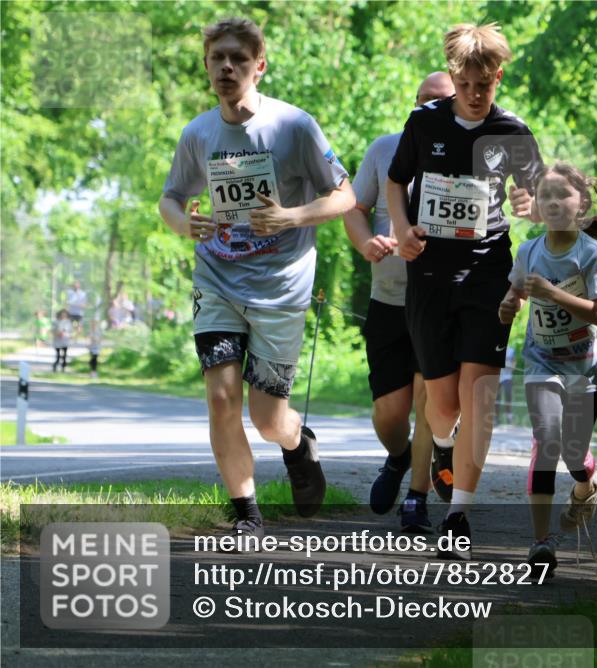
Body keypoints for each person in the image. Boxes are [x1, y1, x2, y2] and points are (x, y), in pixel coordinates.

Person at [158, 17, 356, 541]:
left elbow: (346, 194)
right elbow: (170, 198)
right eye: (217, 58)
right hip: (218, 280)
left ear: (259, 66)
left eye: (238, 59)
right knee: (222, 397)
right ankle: (245, 513)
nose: (226, 67)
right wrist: (186, 225)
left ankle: (297, 444)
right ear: (206, 67)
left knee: (269, 418)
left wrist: (292, 216)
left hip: (280, 288)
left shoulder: (293, 126)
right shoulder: (198, 133)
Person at [387, 23, 543, 560]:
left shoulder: (512, 130)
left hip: (486, 274)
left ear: (498, 78)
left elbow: (538, 197)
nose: (476, 94)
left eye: (486, 84)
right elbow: (395, 181)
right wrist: (402, 228)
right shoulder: (423, 122)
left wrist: (532, 206)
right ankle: (445, 449)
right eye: (467, 83)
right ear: (453, 77)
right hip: (430, 275)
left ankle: (458, 515)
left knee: (479, 397)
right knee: (443, 403)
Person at [343, 72, 455, 533]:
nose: (430, 109)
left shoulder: (469, 155)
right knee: (389, 413)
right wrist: (366, 242)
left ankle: (416, 500)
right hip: (387, 300)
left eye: (441, 103)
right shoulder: (383, 148)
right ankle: (399, 457)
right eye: (423, 101)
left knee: (429, 401)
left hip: (441, 300)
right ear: (412, 105)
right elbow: (354, 208)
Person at [498, 162, 597, 577]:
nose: (551, 203)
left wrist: (550, 292)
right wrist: (509, 306)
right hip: (542, 360)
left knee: (571, 455)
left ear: (580, 204)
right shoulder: (528, 249)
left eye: (561, 195)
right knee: (546, 441)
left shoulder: (592, 254)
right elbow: (515, 295)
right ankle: (541, 543)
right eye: (544, 195)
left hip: (584, 366)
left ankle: (588, 479)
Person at [496, 345, 516, 424]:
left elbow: (514, 365)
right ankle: (496, 418)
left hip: (507, 377)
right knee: (497, 397)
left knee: (508, 396)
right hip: (497, 377)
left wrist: (509, 365)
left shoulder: (511, 350)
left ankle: (509, 416)